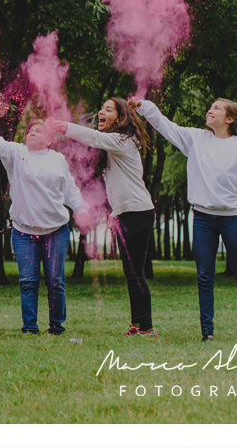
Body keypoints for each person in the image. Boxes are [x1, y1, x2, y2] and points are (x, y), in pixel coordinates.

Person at [131, 97, 237, 341]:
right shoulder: (196, 139)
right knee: (205, 276)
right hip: (203, 217)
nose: (210, 110)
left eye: (217, 108)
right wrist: (143, 106)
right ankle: (208, 333)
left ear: (229, 118)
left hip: (231, 217)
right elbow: (164, 125)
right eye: (211, 106)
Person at [0, 119, 91, 335]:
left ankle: (56, 326)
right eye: (30, 130)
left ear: (50, 139)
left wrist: (80, 208)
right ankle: (30, 328)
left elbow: (70, 190)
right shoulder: (17, 153)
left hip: (56, 231)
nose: (32, 133)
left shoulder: (58, 159)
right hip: (24, 232)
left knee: (55, 281)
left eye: (38, 131)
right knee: (28, 281)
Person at [50, 98, 157, 337]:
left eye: (109, 109)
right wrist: (115, 214)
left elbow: (95, 138)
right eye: (101, 107)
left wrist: (66, 127)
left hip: (139, 212)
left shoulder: (124, 140)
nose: (101, 111)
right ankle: (137, 324)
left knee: (136, 272)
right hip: (127, 213)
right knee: (131, 272)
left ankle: (147, 327)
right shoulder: (113, 146)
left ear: (120, 118)